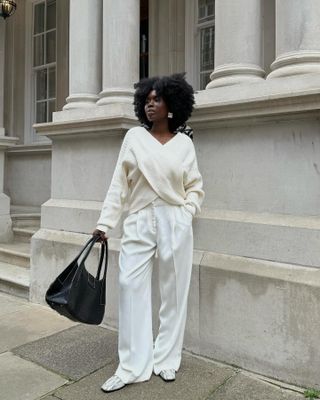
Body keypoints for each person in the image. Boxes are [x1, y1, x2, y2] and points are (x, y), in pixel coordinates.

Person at [93, 73, 204, 393]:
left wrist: (186, 213)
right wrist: (105, 224)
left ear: (172, 104)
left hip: (175, 221)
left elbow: (195, 186)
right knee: (130, 287)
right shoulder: (133, 139)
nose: (150, 103)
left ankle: (166, 360)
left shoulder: (184, 144)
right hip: (139, 220)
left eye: (157, 98)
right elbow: (119, 184)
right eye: (147, 99)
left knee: (173, 292)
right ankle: (131, 366)